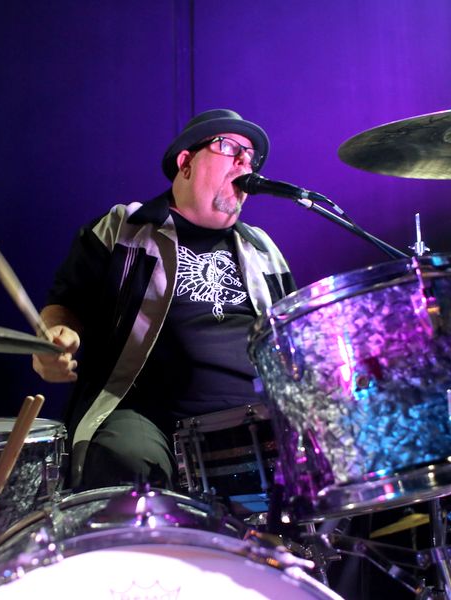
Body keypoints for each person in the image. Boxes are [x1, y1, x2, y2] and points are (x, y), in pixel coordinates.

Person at [33, 109, 297, 491]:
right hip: (147, 416)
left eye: (251, 156)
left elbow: (293, 337)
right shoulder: (124, 227)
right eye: (229, 147)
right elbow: (65, 303)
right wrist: (55, 338)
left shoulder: (263, 249)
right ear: (185, 163)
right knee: (128, 462)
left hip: (256, 418)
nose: (245, 161)